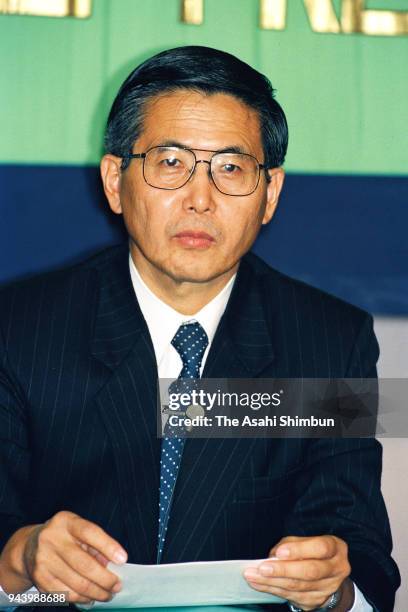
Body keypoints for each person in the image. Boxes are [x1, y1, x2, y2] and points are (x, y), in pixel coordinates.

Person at [0, 46, 400, 612]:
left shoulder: (332, 341)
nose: (200, 199)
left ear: (271, 195)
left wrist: (331, 588)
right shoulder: (18, 329)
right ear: (116, 180)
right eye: (170, 163)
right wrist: (18, 561)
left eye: (232, 168)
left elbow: (364, 561)